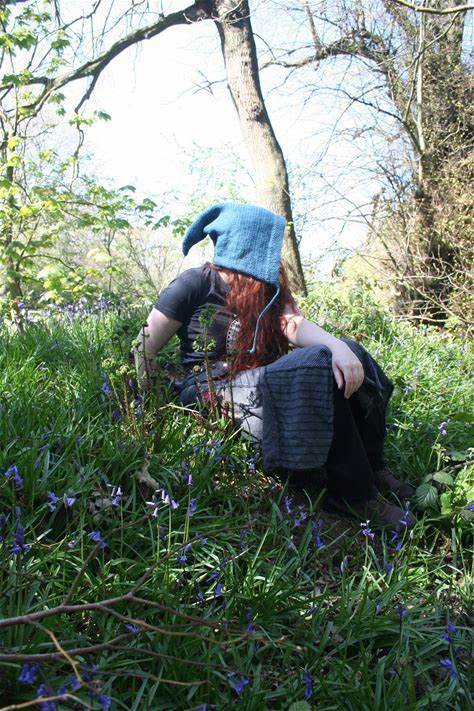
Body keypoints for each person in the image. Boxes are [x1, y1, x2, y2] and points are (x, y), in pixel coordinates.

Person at [133, 202, 415, 530]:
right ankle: (353, 494)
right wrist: (147, 407)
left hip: (260, 383)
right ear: (244, 243)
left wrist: (338, 346)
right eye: (266, 245)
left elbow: (292, 323)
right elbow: (143, 348)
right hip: (212, 390)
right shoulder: (194, 283)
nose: (274, 256)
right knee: (315, 363)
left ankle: (372, 466)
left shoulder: (267, 291)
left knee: (348, 351)